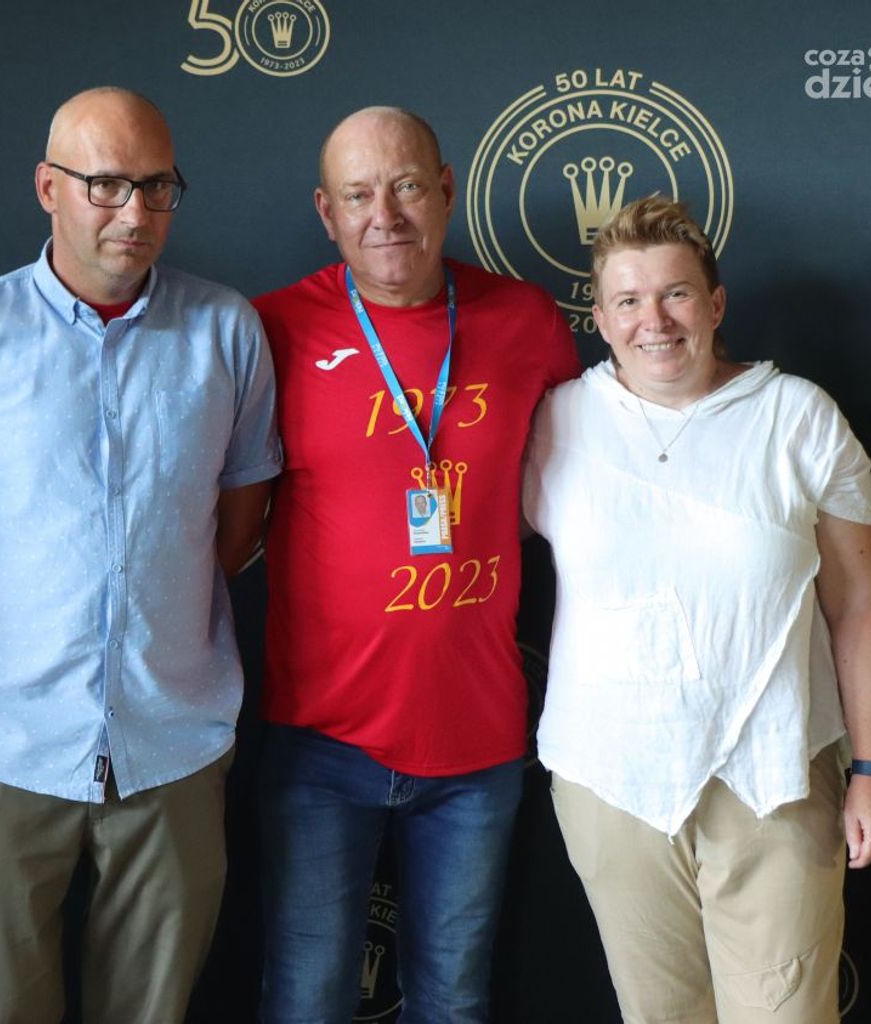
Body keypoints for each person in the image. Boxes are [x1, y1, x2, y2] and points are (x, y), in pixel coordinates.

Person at [0, 86, 281, 1024]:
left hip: (172, 742)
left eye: (156, 187)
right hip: (1, 744)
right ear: (48, 188)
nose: (135, 213)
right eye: (105, 185)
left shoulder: (227, 332)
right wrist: (9, 639)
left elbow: (239, 524)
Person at [522, 194, 871, 1023]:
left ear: (716, 303)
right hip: (611, 782)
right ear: (600, 318)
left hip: (774, 779)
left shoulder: (796, 416)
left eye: (676, 294)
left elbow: (861, 602)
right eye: (628, 300)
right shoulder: (558, 422)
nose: (654, 321)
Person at [252, 106, 580, 1022]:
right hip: (321, 741)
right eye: (359, 195)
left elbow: (597, 488)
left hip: (478, 743)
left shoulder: (525, 320)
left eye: (404, 187)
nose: (384, 215)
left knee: (454, 1001)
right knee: (307, 999)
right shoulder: (272, 329)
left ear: (445, 189)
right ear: (327, 212)